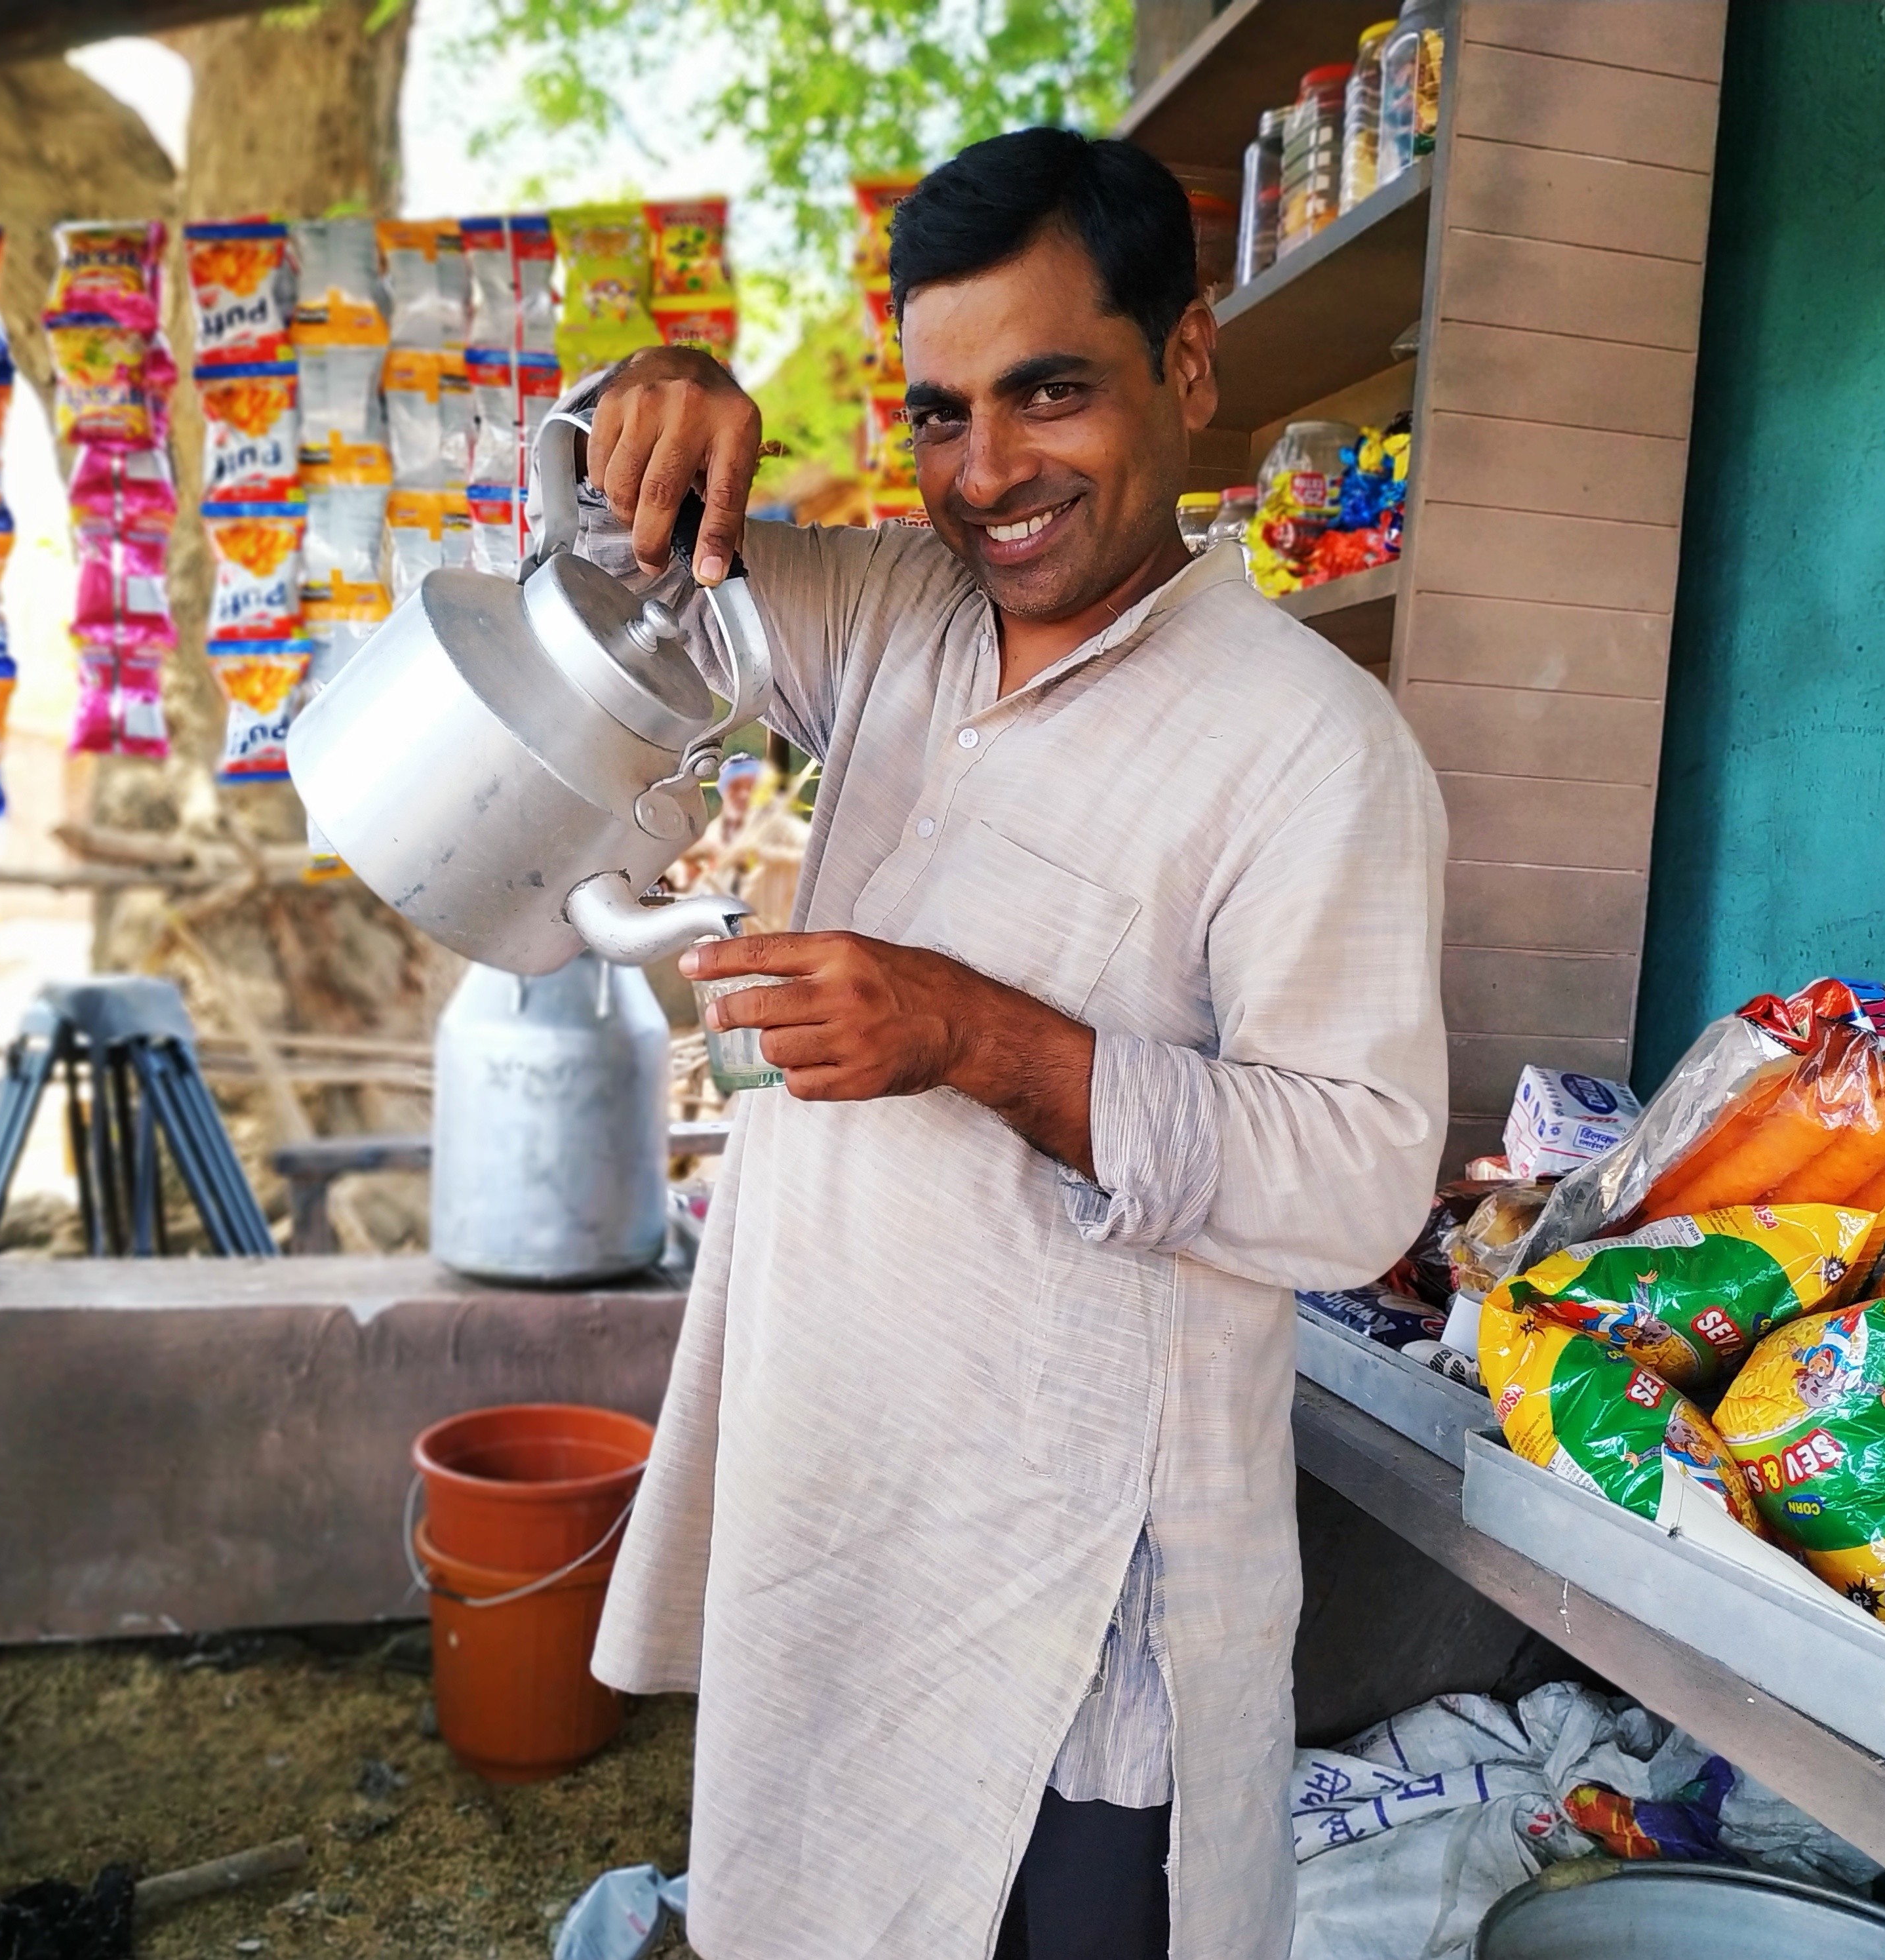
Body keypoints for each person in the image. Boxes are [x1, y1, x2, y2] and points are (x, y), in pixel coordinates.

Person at [571, 127, 1447, 1960]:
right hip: (839, 1489)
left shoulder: (1311, 744)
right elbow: (605, 599)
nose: (987, 475)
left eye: (1050, 392)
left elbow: (1358, 1180)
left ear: (1185, 365)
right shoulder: (900, 612)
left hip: (1070, 1582)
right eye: (941, 414)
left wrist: (972, 1034)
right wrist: (645, 407)